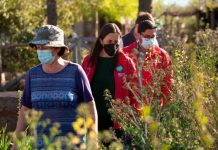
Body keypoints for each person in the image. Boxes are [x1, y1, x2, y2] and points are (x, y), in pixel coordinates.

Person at [12, 25, 98, 149]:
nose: (40, 50)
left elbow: (89, 106)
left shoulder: (75, 71)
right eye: (38, 47)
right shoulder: (33, 74)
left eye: (44, 46)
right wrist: (16, 144)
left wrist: (93, 141)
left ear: (57, 48)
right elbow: (26, 110)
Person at [81, 23, 137, 135]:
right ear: (101, 41)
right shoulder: (89, 61)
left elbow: (134, 91)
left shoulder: (126, 62)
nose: (113, 45)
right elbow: (81, 87)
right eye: (109, 42)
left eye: (116, 42)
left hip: (117, 121)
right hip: (93, 118)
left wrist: (134, 116)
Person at [123, 20, 173, 107]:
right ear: (138, 35)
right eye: (147, 36)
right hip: (132, 108)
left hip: (154, 107)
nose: (150, 40)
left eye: (153, 36)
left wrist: (167, 106)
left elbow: (168, 82)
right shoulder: (126, 53)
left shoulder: (162, 55)